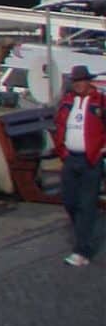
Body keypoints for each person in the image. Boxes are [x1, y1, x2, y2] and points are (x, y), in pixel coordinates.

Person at [54, 64, 105, 266]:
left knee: (87, 204)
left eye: (81, 80)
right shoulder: (67, 101)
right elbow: (59, 125)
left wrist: (102, 149)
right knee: (69, 201)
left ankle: (82, 250)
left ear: (88, 81)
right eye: (75, 81)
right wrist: (62, 150)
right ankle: (83, 236)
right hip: (70, 158)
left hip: (91, 159)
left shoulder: (100, 101)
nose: (78, 84)